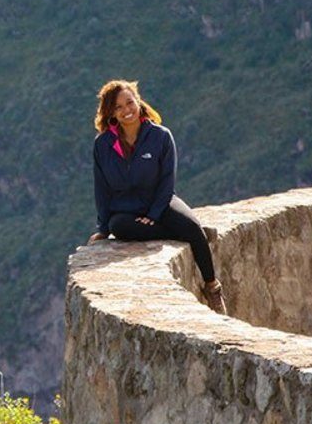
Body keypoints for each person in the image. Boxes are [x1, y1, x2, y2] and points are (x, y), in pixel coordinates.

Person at [87, 78, 225, 313]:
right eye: (118, 107)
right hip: (127, 208)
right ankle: (187, 234)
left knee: (191, 226)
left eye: (129, 103)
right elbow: (102, 188)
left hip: (161, 200)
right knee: (119, 226)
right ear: (111, 112)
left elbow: (166, 181)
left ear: (138, 102)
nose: (126, 111)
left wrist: (154, 213)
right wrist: (103, 229)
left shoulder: (160, 136)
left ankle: (212, 287)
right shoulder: (103, 145)